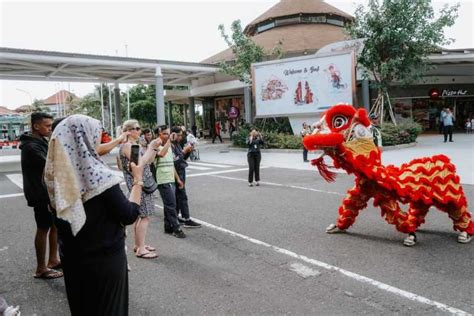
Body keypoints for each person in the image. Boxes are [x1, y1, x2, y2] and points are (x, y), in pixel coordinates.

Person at [44, 114, 142, 315]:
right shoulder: (99, 176)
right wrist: (138, 180)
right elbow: (129, 214)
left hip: (72, 259)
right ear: (85, 138)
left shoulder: (55, 176)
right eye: (96, 134)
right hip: (105, 261)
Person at [19, 112, 63, 280]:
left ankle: (53, 260)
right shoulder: (31, 146)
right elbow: (50, 164)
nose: (50, 129)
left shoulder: (39, 141)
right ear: (36, 126)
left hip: (46, 191)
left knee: (54, 226)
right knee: (43, 228)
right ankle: (41, 268)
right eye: (47, 126)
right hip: (40, 194)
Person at [119, 120, 159, 259]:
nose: (140, 130)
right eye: (137, 128)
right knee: (145, 216)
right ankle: (141, 249)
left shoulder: (134, 145)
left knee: (140, 217)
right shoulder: (127, 146)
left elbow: (149, 160)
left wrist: (153, 149)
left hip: (142, 183)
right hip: (139, 184)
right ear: (129, 131)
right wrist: (151, 147)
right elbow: (140, 164)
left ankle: (139, 245)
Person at [154, 125, 186, 238]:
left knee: (169, 204)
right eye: (164, 133)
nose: (167, 136)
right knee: (171, 204)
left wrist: (178, 179)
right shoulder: (155, 145)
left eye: (168, 133)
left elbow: (171, 164)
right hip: (162, 179)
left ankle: (168, 227)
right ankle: (176, 228)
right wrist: (169, 141)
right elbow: (161, 154)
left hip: (170, 179)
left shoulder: (169, 146)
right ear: (159, 134)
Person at [170, 127, 202, 228]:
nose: (180, 137)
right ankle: (186, 218)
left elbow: (182, 159)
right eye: (178, 135)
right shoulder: (170, 145)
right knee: (181, 196)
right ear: (173, 134)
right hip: (176, 173)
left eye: (181, 135)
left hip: (181, 171)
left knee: (179, 196)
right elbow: (174, 161)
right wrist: (184, 151)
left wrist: (188, 151)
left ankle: (178, 216)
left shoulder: (177, 144)